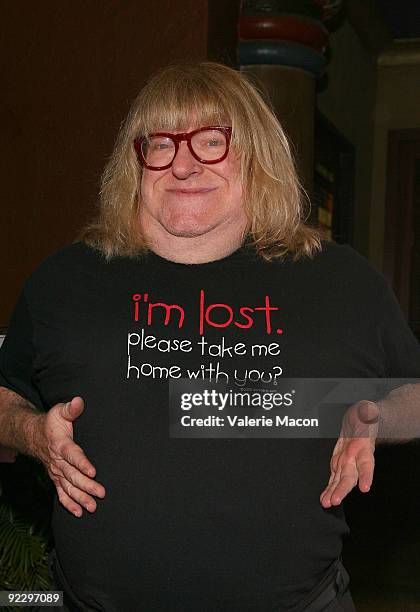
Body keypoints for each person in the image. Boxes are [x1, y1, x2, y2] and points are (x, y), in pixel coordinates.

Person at [0, 61, 419, 612]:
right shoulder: (64, 281)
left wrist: (372, 417)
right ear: (136, 162)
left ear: (257, 156)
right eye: (161, 144)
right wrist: (33, 433)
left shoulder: (341, 281)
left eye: (212, 141)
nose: (184, 164)